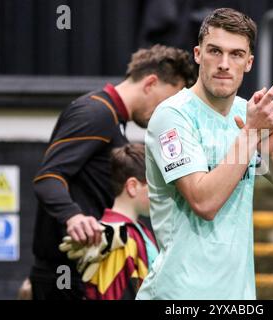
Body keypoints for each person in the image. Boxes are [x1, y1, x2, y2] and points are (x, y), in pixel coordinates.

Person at [136, 8, 273, 300]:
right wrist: (251, 134)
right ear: (197, 54)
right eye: (215, 51)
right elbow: (204, 202)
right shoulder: (172, 115)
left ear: (249, 62)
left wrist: (271, 152)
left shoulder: (247, 114)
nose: (224, 64)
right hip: (178, 294)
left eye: (236, 54)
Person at [30, 44, 196, 300]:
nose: (167, 112)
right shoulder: (95, 112)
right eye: (167, 102)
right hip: (66, 278)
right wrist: (73, 217)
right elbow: (49, 177)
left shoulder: (113, 120)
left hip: (77, 273)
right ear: (150, 83)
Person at [81, 143, 158, 300]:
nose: (160, 195)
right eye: (155, 186)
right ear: (132, 186)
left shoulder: (140, 231)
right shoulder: (118, 238)